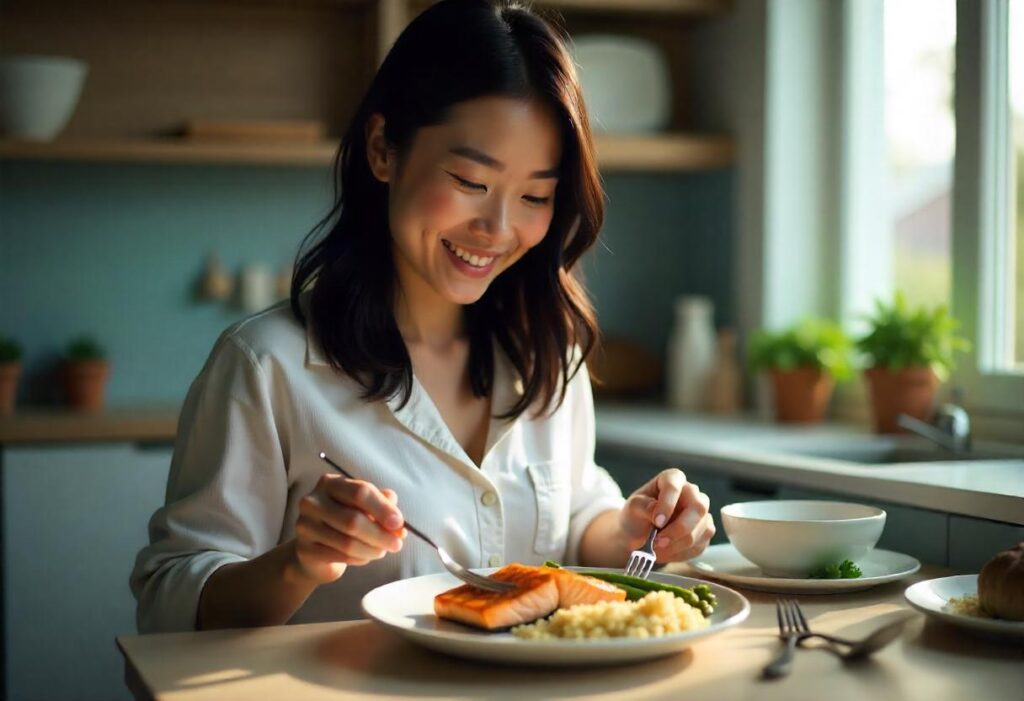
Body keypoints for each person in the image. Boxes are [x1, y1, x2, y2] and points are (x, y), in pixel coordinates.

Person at [131, 0, 715, 633]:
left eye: (535, 196)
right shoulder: (266, 365)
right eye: (469, 180)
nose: (497, 229)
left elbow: (574, 523)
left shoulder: (548, 351)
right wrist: (301, 563)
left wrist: (635, 529)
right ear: (383, 149)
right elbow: (169, 604)